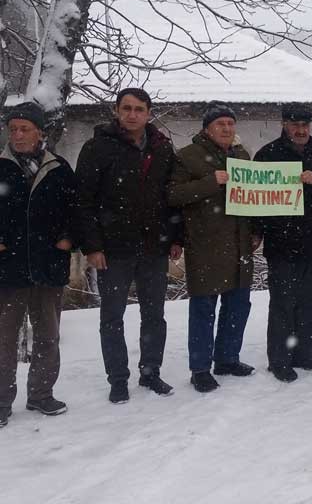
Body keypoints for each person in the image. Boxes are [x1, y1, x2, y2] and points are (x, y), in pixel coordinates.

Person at [75, 88, 182, 403]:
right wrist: (93, 246)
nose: (132, 114)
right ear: (116, 111)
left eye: (139, 109)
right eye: (126, 108)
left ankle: (151, 372)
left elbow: (171, 197)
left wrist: (176, 237)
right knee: (112, 316)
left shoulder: (162, 148)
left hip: (154, 246)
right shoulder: (97, 148)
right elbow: (83, 202)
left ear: (149, 113)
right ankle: (118, 379)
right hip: (113, 249)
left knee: (154, 314)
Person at [168, 103, 258, 392]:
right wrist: (211, 182)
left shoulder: (242, 155)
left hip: (240, 242)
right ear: (207, 128)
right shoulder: (187, 157)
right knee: (204, 308)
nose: (227, 129)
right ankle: (201, 368)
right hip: (206, 243)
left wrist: (256, 231)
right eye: (220, 124)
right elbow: (173, 195)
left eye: (231, 124)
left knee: (238, 305)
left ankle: (228, 358)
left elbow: (255, 197)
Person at [0, 102, 76, 427]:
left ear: (40, 132)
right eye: (13, 128)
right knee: (3, 338)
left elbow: (77, 209)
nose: (17, 134)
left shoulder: (58, 168)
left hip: (48, 267)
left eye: (24, 128)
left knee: (48, 335)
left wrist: (69, 238)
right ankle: (2, 401)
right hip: (8, 269)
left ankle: (41, 395)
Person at [254, 105, 312, 382]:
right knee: (283, 304)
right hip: (281, 242)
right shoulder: (268, 154)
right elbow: (255, 199)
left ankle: (304, 354)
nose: (301, 130)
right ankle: (279, 360)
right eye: (295, 124)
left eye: (305, 125)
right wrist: (257, 233)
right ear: (284, 124)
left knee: (310, 302)